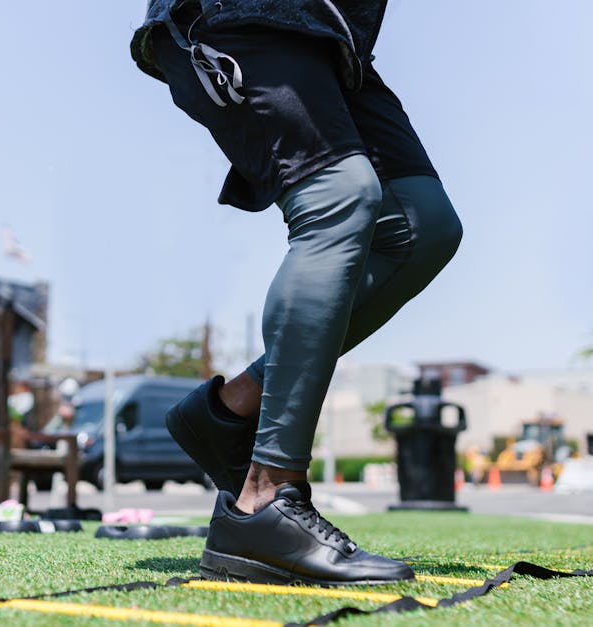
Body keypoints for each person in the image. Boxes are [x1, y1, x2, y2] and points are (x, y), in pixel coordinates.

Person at [131, 0, 463, 585]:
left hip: (336, 45)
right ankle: (265, 499)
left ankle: (231, 409)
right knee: (339, 198)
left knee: (423, 227)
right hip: (241, 16)